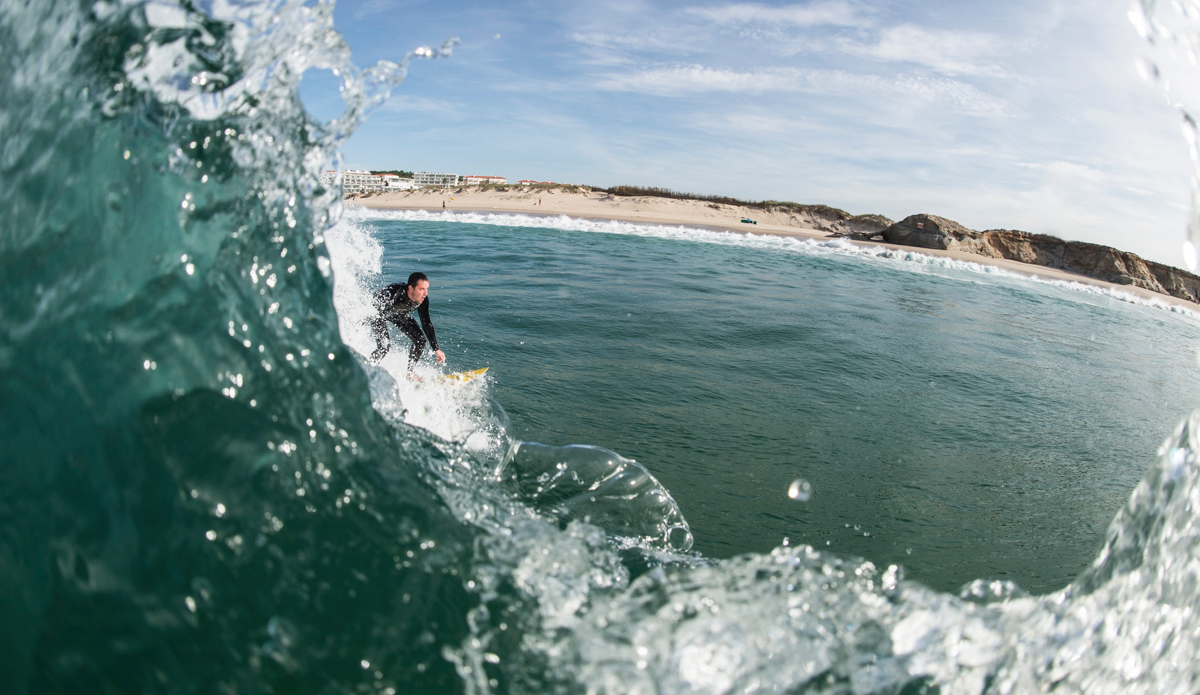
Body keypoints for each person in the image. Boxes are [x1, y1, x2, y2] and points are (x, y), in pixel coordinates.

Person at [367, 272, 446, 370]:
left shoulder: (422, 299)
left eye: (427, 289)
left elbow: (426, 323)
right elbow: (372, 310)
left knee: (420, 340)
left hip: (399, 313)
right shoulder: (394, 292)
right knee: (384, 347)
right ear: (411, 288)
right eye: (421, 289)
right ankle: (367, 369)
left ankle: (410, 373)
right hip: (377, 313)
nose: (426, 293)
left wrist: (436, 348)